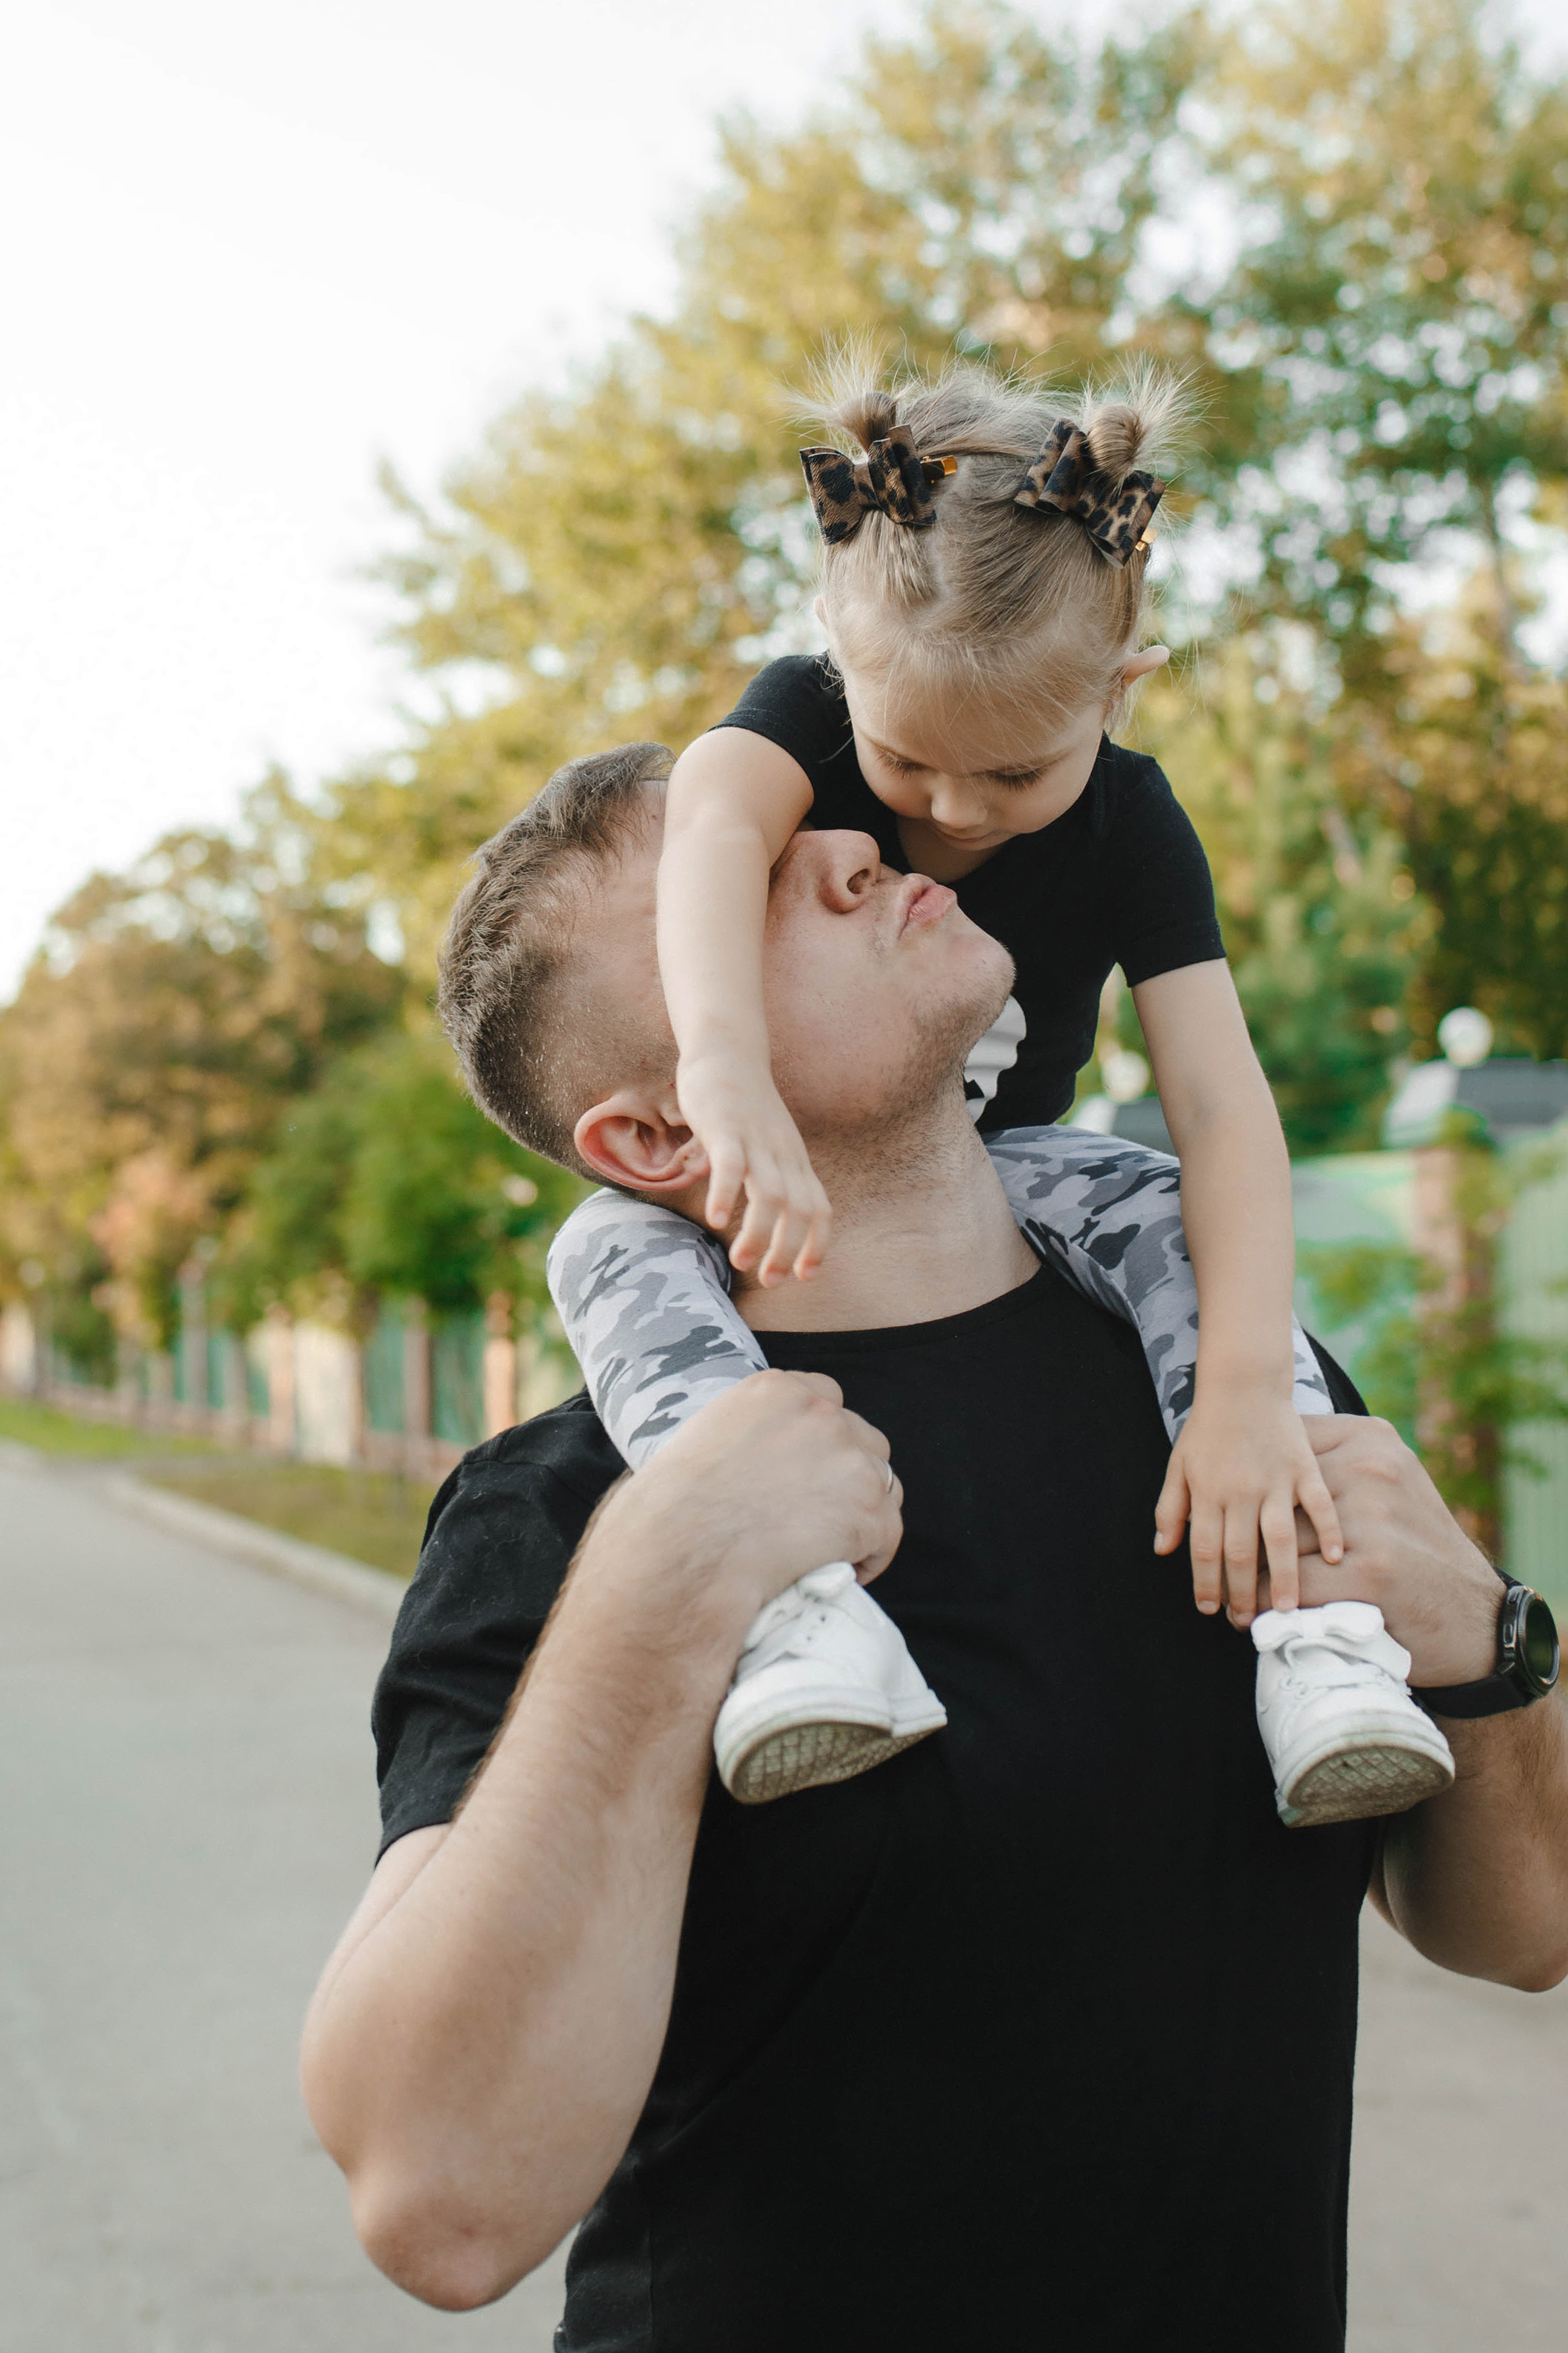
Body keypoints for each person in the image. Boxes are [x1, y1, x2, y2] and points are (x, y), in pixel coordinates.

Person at [302, 749, 1568, 2352]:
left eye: (802, 828)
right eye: (745, 886)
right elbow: (438, 2199)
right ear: (654, 1136)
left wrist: (1487, 1639)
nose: (841, 843)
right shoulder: (564, 1509)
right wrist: (664, 1582)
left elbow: (1522, 1932)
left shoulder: (1238, 1403)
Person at [541, 355, 1448, 1825]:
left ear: (1123, 689)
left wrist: (1231, 1399)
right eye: (904, 763)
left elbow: (1222, 1112)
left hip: (1017, 1158)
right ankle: (800, 1613)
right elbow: (708, 821)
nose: (947, 818)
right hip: (783, 1150)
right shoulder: (801, 720)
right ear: (837, 663)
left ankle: (1322, 1644)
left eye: (1017, 776)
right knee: (602, 1244)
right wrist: (725, 1070)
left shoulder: (1139, 825)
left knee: (1167, 1212)